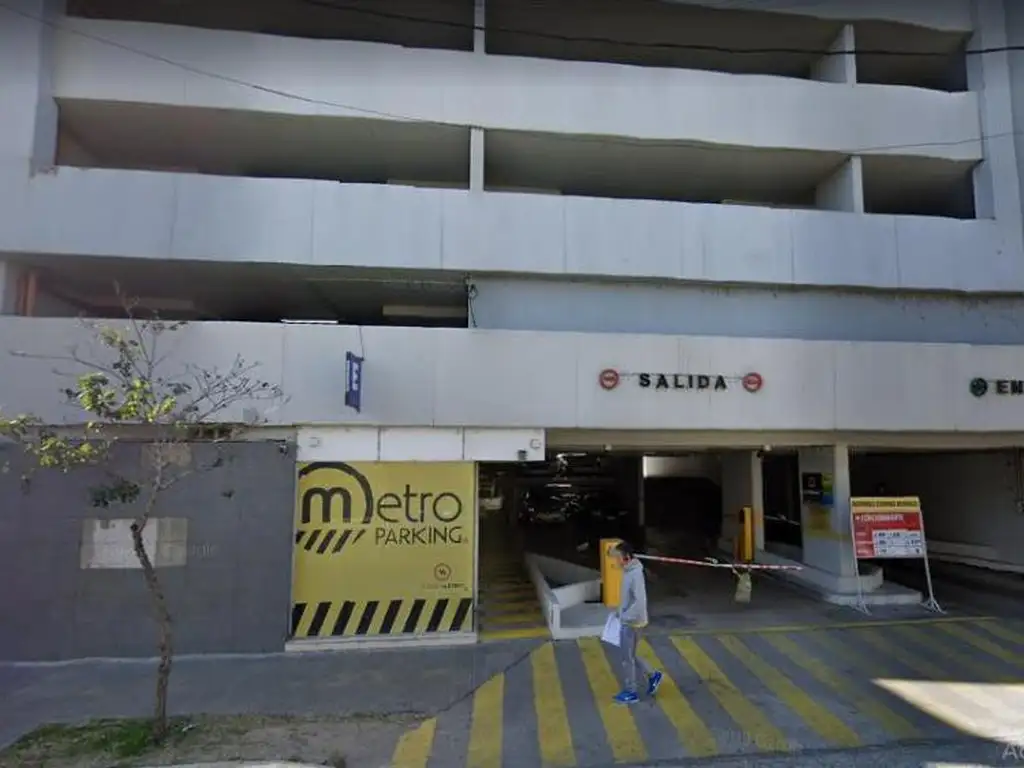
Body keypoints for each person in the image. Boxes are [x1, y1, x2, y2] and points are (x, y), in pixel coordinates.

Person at [610, 541, 663, 704]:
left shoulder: (634, 574)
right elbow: (628, 598)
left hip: (632, 623)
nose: (615, 561)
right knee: (631, 654)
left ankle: (631, 692)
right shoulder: (629, 570)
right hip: (631, 621)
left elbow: (639, 603)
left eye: (617, 557)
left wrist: (624, 617)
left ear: (626, 557)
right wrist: (619, 611)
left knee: (626, 658)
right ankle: (653, 675)